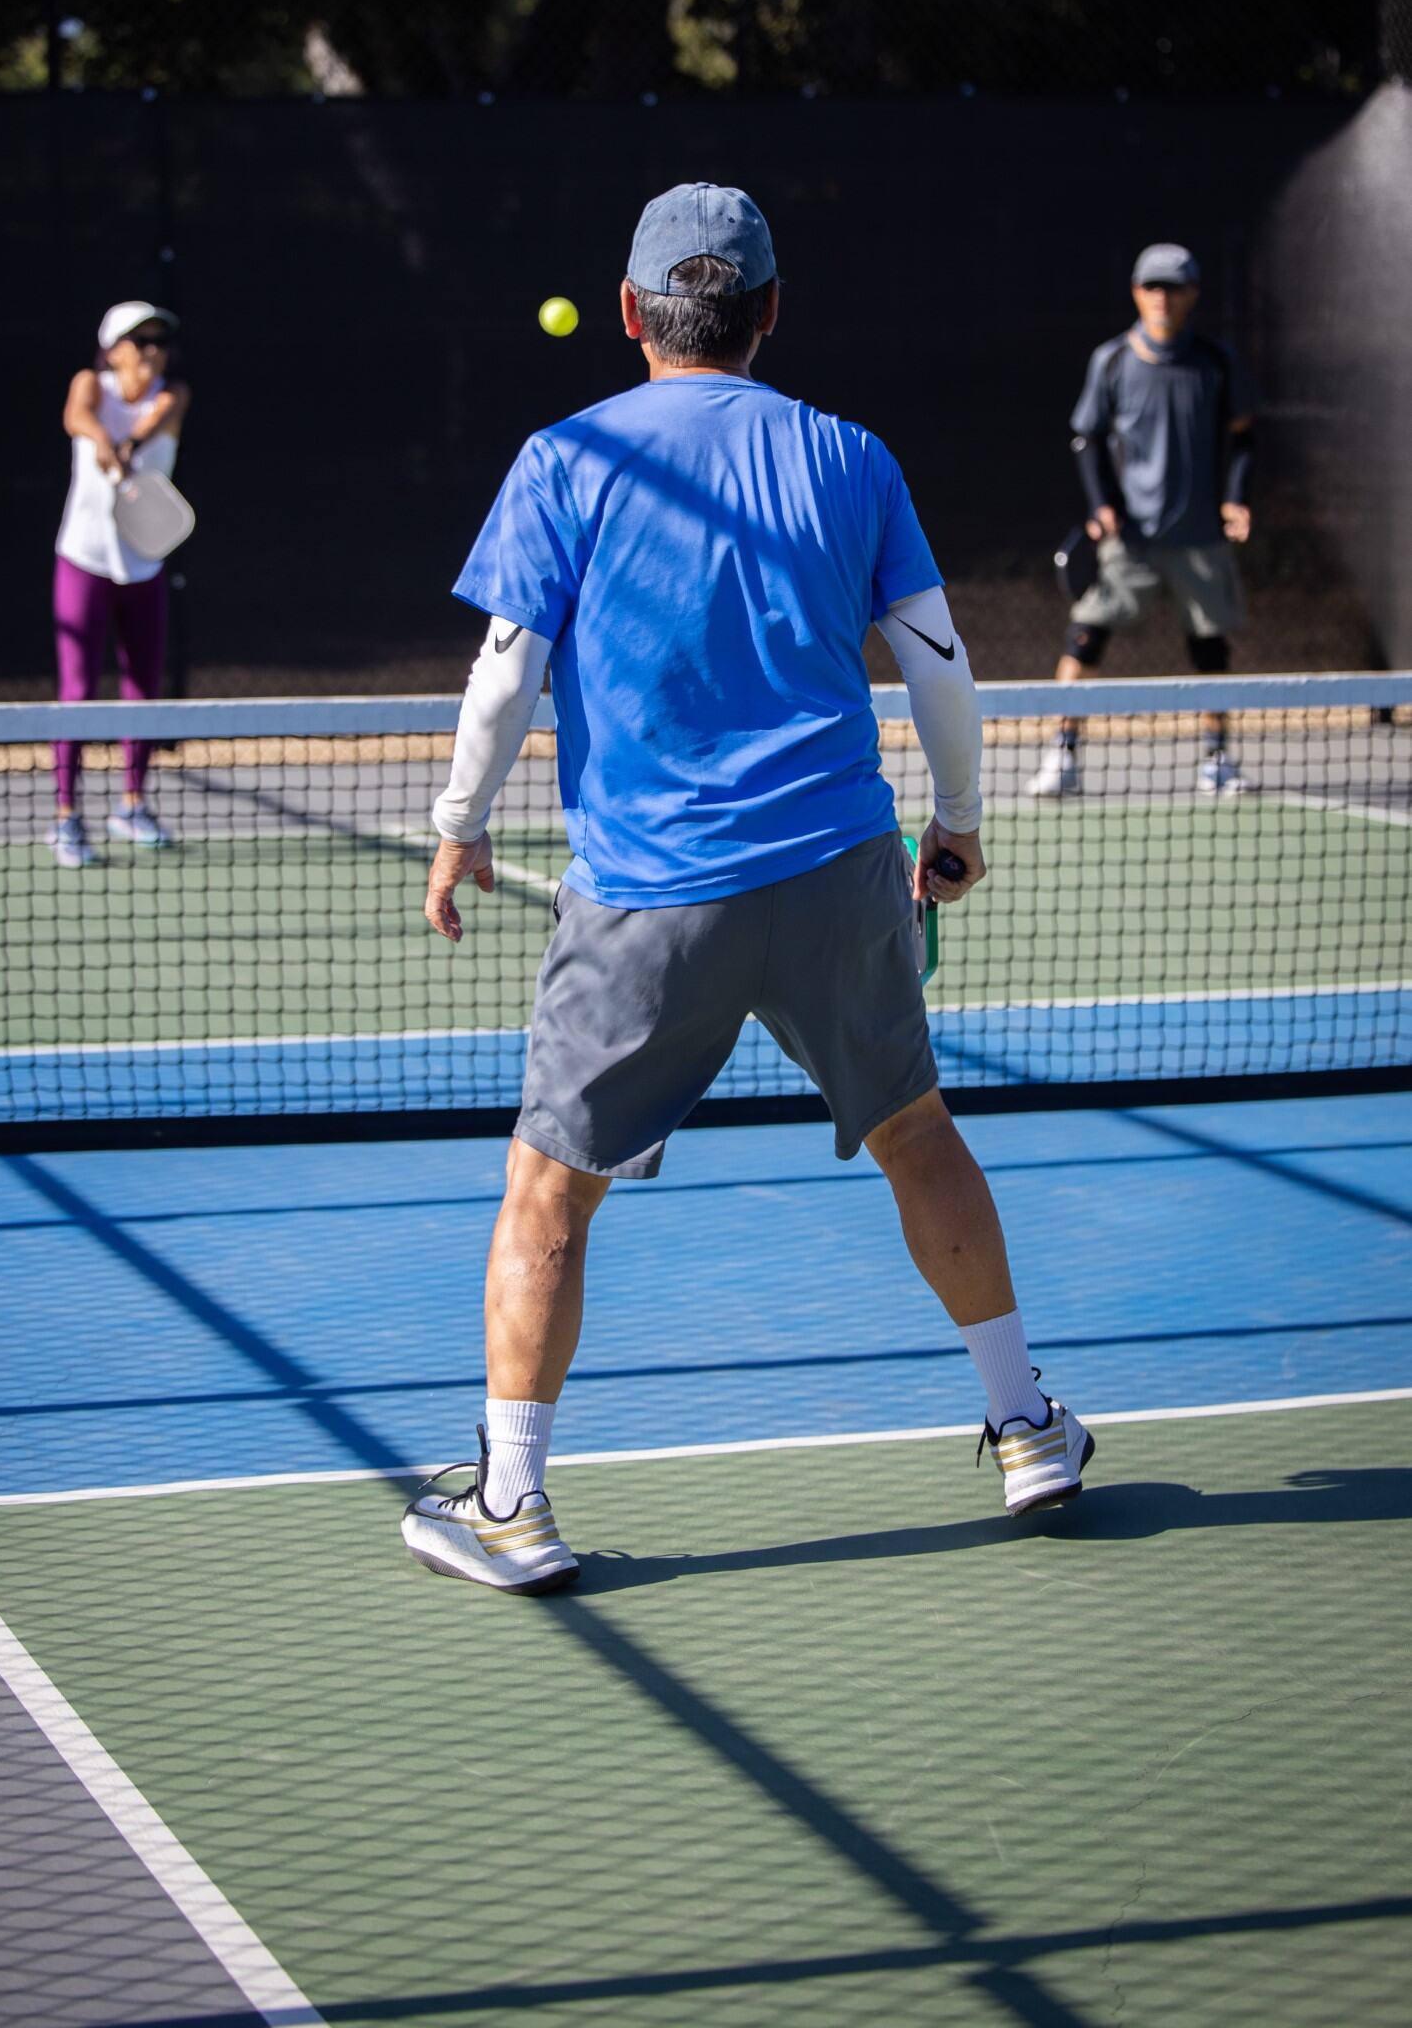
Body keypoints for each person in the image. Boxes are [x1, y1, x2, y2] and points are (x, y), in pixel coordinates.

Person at [400, 182, 1093, 1596]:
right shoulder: (850, 455)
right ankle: (1024, 1425)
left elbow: (504, 674)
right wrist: (954, 824)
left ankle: (510, 1507)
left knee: (548, 1184)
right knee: (915, 1131)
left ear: (628, 314)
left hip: (648, 898)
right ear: (770, 312)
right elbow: (940, 666)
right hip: (840, 873)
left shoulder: (563, 455)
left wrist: (458, 825)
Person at [1027, 243, 1258, 799]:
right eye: (1152, 286)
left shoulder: (1216, 362)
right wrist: (1102, 505)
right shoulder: (1112, 361)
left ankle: (1218, 762)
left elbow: (1244, 437)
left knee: (1210, 651)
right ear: (1136, 292)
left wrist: (1235, 498)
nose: (1162, 297)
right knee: (1084, 638)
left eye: (1173, 287)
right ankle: (1062, 756)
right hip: (1129, 541)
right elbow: (1087, 439)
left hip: (1199, 538)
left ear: (1192, 294)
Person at [50, 300, 191, 867]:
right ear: (113, 348)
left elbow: (158, 416)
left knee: (144, 689)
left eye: (159, 341)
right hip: (82, 560)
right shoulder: (90, 384)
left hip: (144, 565)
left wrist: (127, 447)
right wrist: (102, 443)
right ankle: (65, 817)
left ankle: (131, 804)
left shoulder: (171, 395)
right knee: (77, 693)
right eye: (141, 341)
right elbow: (77, 417)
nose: (153, 351)